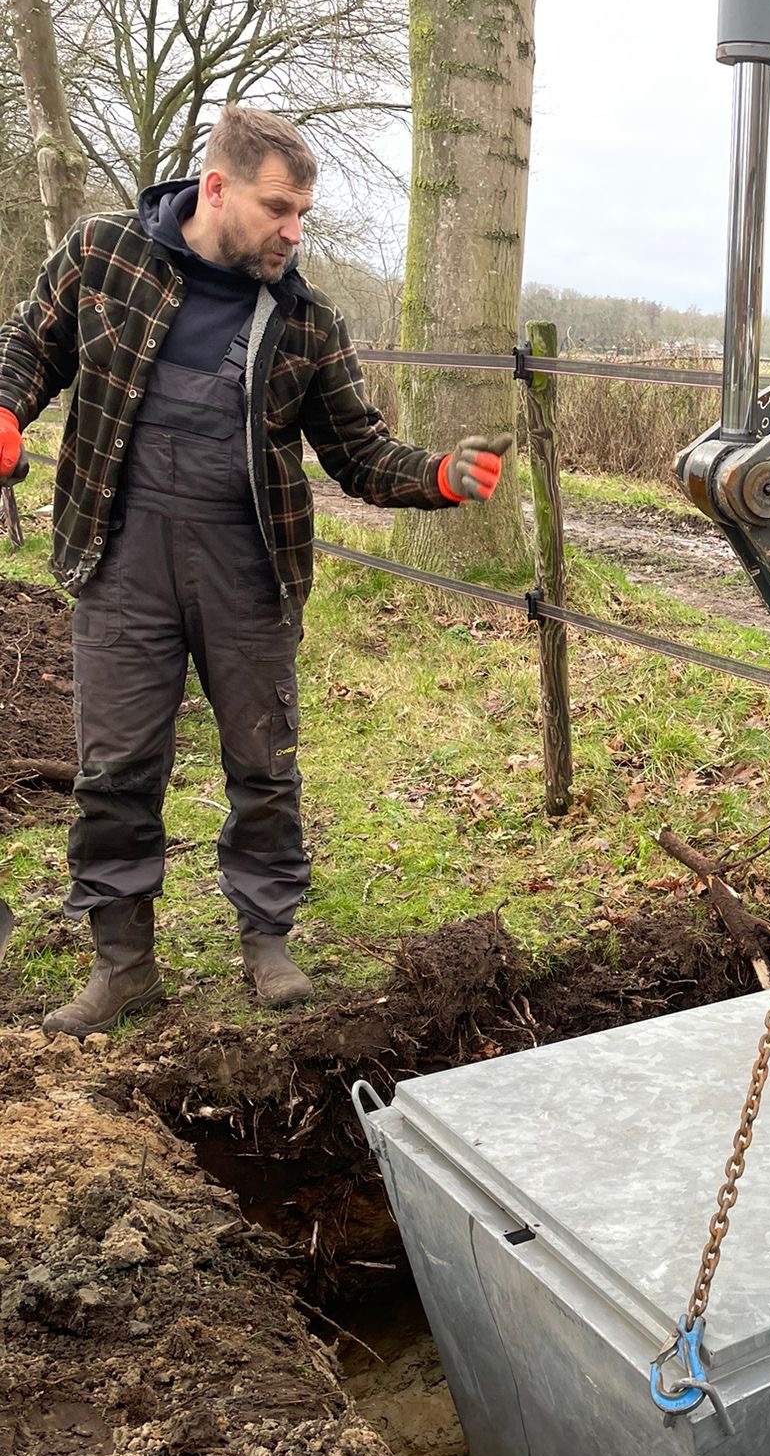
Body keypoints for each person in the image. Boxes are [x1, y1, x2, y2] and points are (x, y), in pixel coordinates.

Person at [0, 106, 512, 1036]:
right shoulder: (102, 254)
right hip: (119, 560)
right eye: (279, 208)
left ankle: (266, 942)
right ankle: (123, 966)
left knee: (263, 767)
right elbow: (31, 346)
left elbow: (359, 452)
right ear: (218, 188)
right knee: (114, 770)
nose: (293, 230)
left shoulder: (309, 320)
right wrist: (5, 410)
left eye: (303, 213)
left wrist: (438, 475)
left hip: (248, 569)